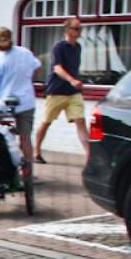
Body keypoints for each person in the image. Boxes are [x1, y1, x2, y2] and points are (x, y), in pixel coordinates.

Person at [34, 17, 89, 162]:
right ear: (68, 30)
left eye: (80, 28)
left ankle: (90, 156)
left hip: (73, 92)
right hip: (56, 90)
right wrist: (72, 80)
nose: (80, 31)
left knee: (80, 121)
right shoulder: (58, 46)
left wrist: (75, 82)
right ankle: (36, 152)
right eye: (77, 28)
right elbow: (57, 68)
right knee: (47, 121)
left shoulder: (78, 47)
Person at [0, 27, 39, 165]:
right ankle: (29, 172)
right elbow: (38, 67)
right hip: (26, 101)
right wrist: (29, 82)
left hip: (4, 104)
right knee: (25, 137)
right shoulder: (25, 52)